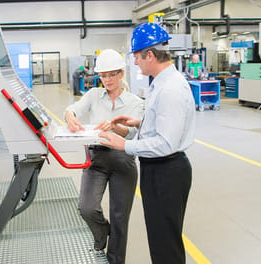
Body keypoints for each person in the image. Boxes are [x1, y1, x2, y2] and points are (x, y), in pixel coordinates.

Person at [98, 23, 195, 264]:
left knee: (165, 242)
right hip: (159, 169)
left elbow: (165, 143)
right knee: (160, 237)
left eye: (137, 57)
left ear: (150, 55)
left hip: (167, 170)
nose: (137, 63)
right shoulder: (160, 82)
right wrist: (138, 123)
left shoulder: (170, 88)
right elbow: (163, 124)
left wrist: (124, 145)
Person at [64, 49, 144, 264]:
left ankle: (115, 260)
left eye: (111, 74)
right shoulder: (93, 95)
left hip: (122, 160)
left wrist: (115, 127)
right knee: (86, 207)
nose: (107, 80)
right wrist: (70, 117)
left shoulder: (135, 102)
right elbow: (73, 109)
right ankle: (102, 234)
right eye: (103, 75)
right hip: (96, 159)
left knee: (120, 217)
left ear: (121, 74)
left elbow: (131, 133)